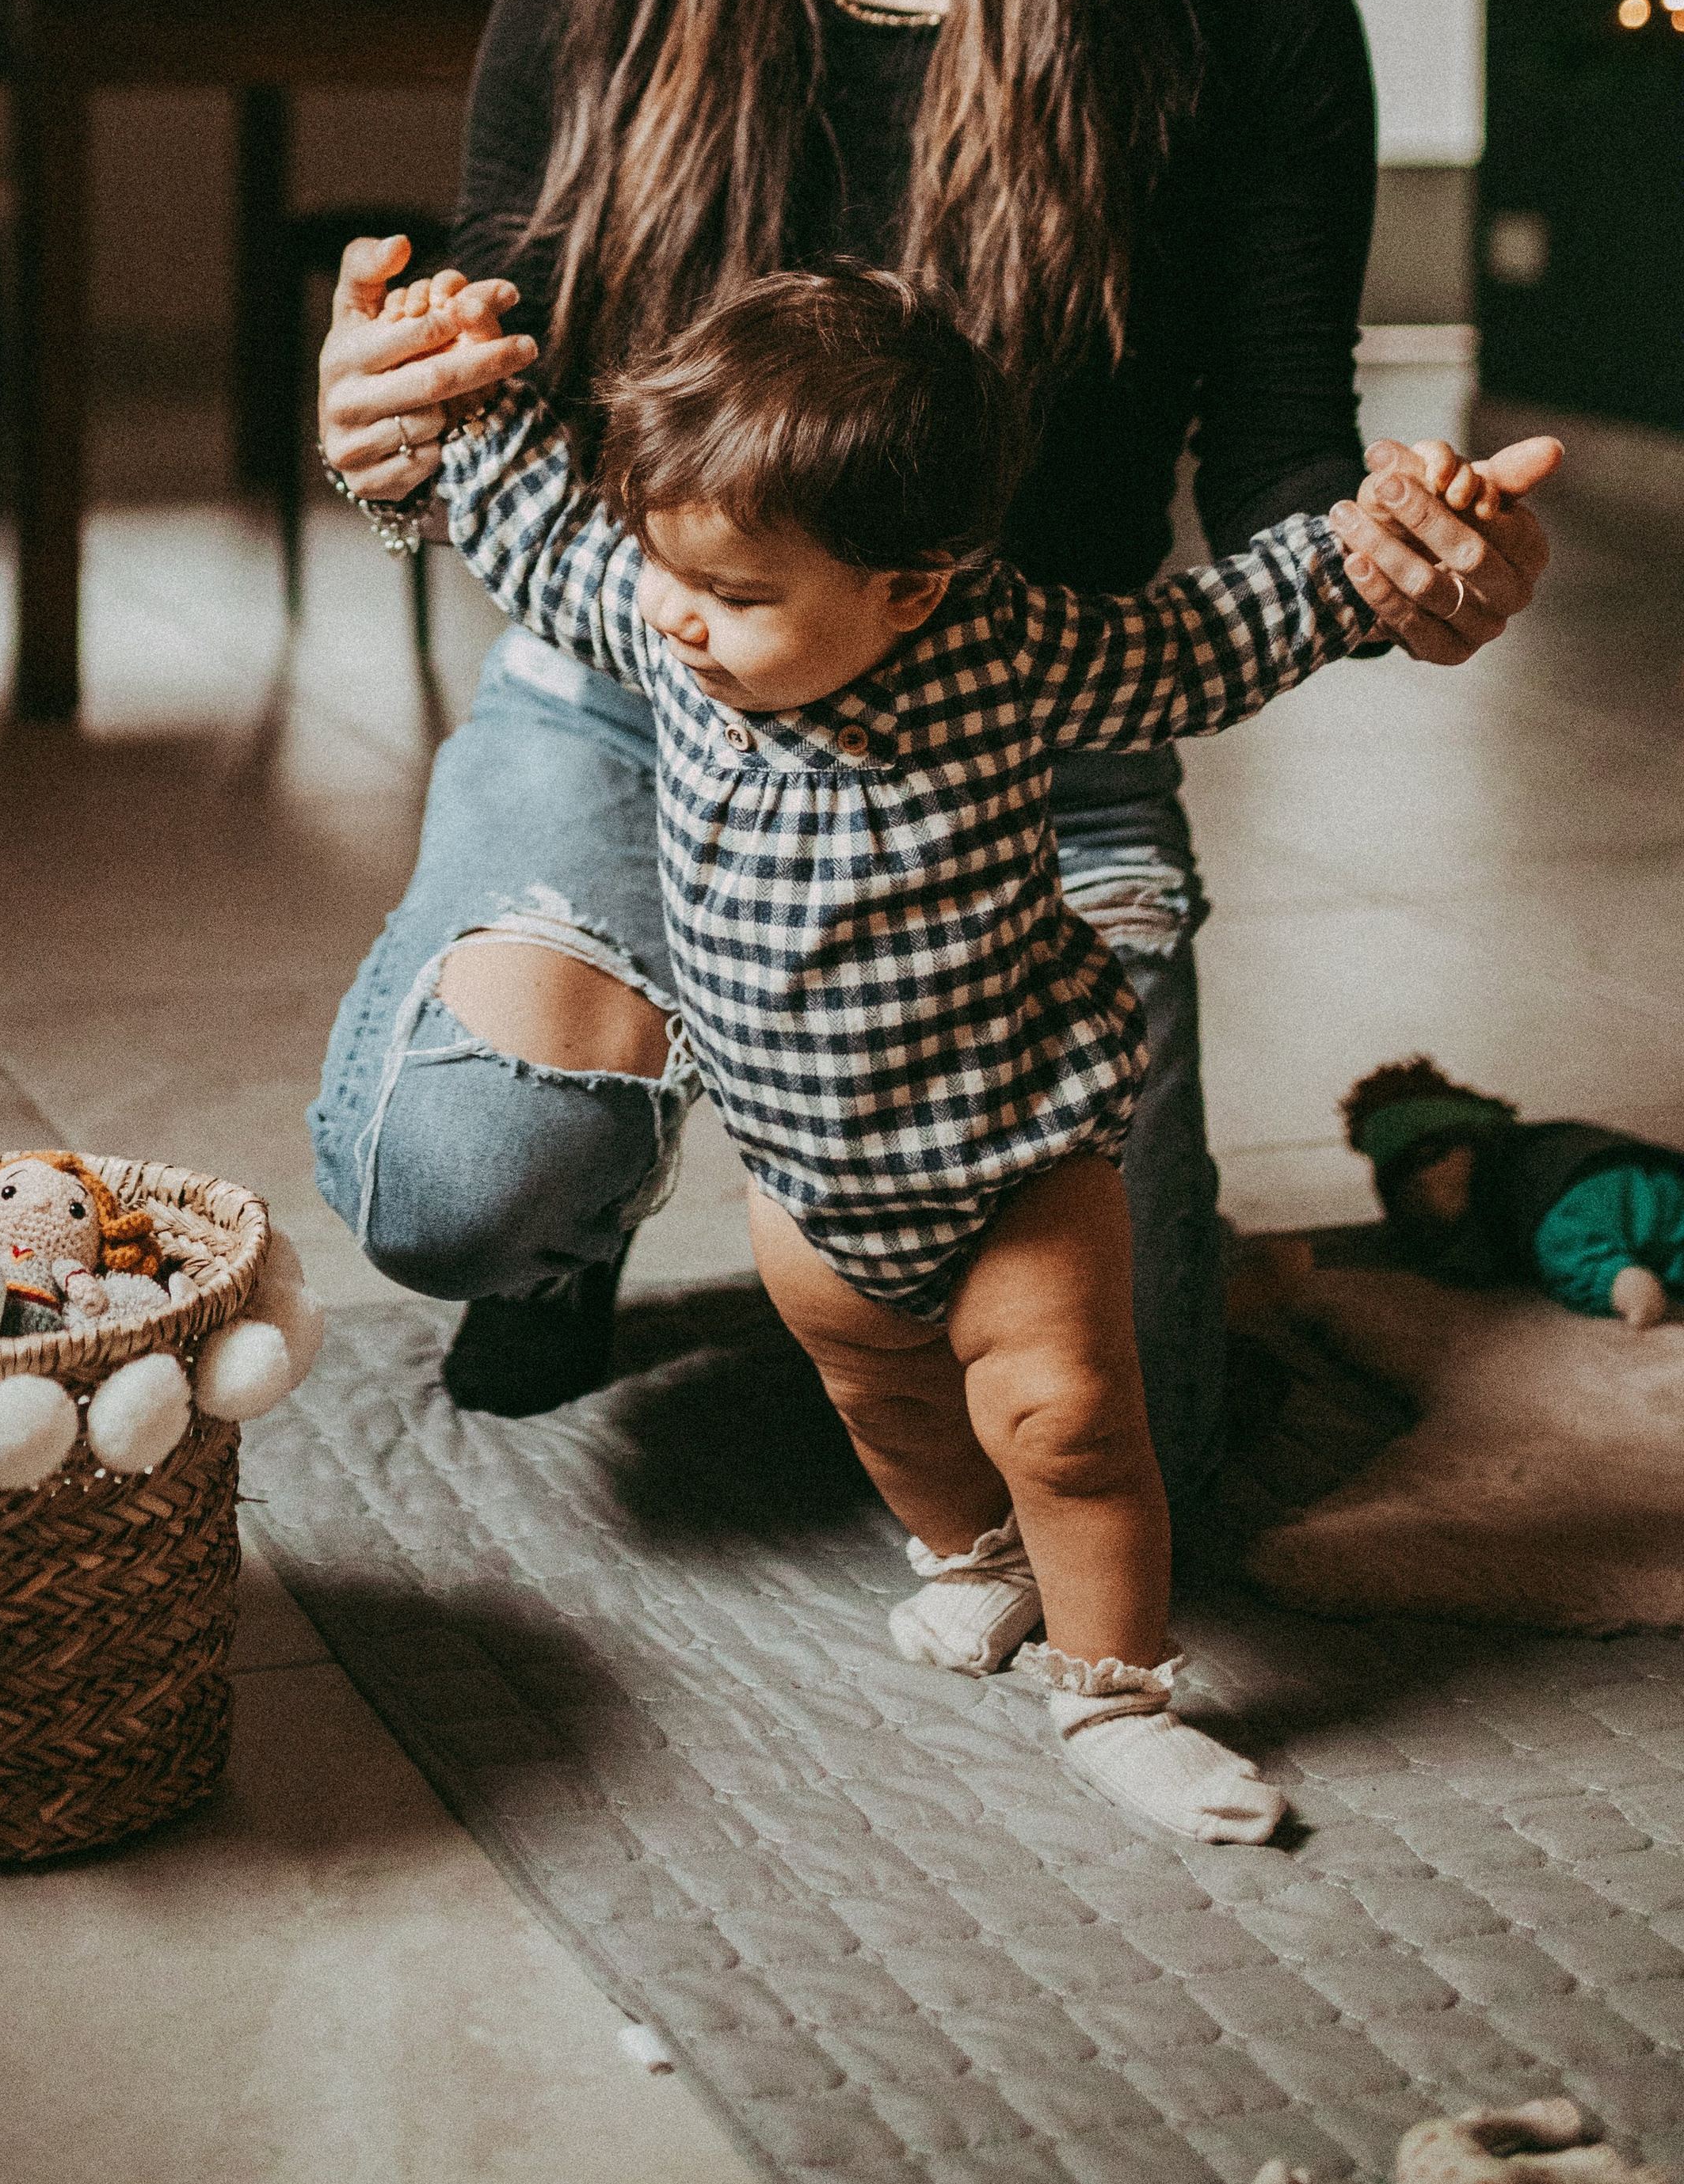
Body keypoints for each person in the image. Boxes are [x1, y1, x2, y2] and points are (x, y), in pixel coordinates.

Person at [309, 0, 1557, 1515]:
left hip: (1026, 728)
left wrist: (1404, 556)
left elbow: (1281, 455)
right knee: (458, 1178)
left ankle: (886, 1116)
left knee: (1130, 1435)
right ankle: (599, 1168)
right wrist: (380, 423)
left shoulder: (1244, 9)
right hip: (646, 687)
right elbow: (490, 396)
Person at [387, 257, 1390, 1839]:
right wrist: (467, 389)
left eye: (738, 597)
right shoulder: (663, 625)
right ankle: (977, 1559)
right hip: (805, 1176)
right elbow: (529, 529)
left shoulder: (1007, 654)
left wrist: (1362, 557)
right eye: (666, 569)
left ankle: (1113, 1694)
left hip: (1013, 1151)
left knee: (1070, 1422)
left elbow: (1205, 637)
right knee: (887, 1401)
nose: (680, 615)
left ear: (910, 589)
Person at [1344, 1055, 1684, 1329]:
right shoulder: (1537, 1143)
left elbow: (1577, 1259)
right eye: (1399, 1183)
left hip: (1581, 1205)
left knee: (1568, 1252)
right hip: (1641, 1182)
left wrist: (1623, 1288)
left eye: (1425, 1161)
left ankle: (1623, 1282)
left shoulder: (1534, 1205)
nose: (1418, 1187)